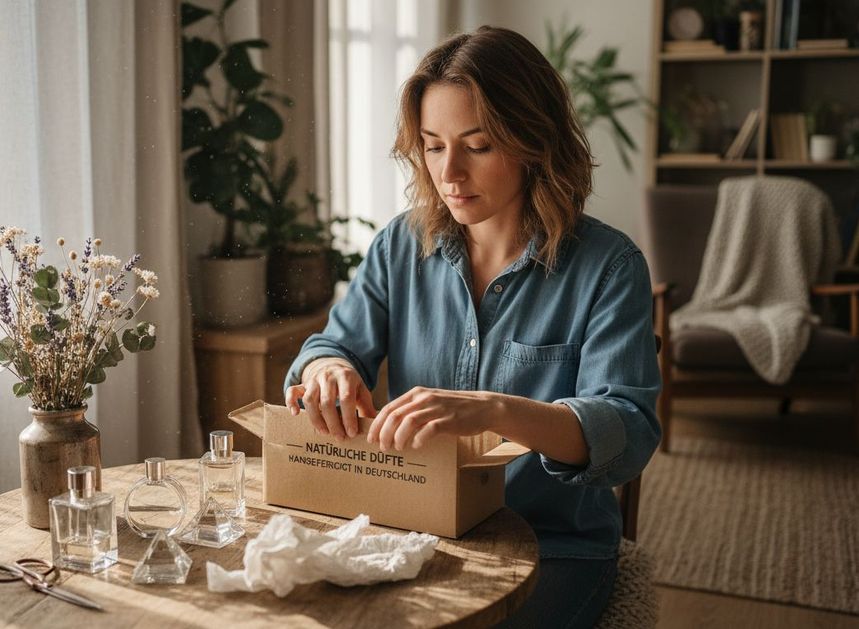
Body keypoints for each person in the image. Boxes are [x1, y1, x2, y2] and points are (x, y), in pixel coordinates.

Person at [283, 25, 660, 629]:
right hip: (410, 528)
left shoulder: (610, 267)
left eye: (478, 146)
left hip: (550, 546)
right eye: (433, 146)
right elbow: (332, 345)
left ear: (533, 141)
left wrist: (495, 410)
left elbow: (628, 432)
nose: (449, 172)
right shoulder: (400, 245)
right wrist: (329, 368)